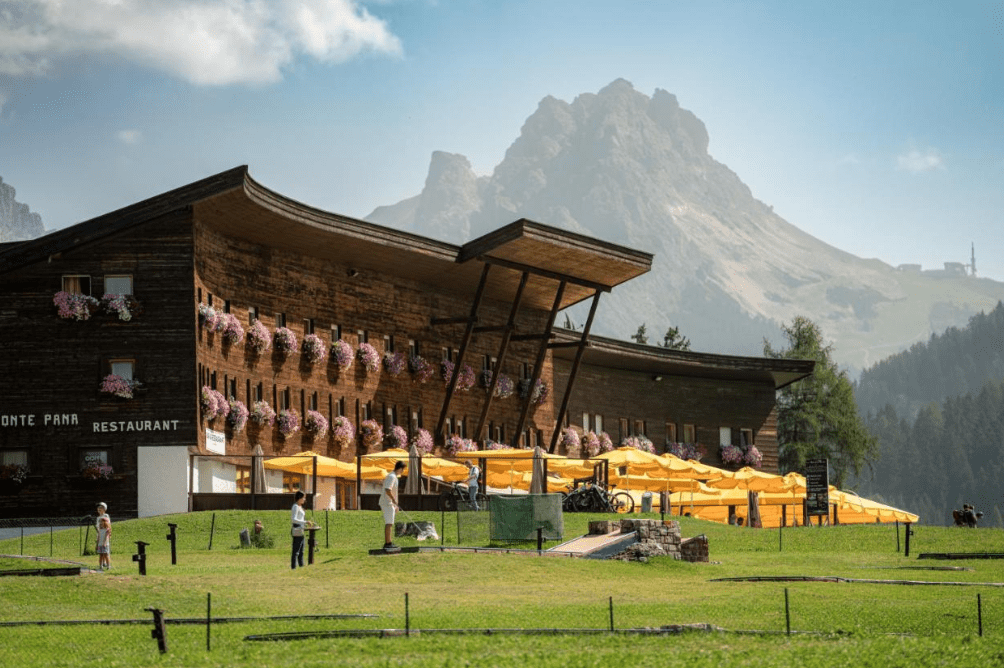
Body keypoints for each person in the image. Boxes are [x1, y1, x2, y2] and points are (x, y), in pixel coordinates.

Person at [380, 461, 405, 549]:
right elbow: (387, 490)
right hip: (387, 502)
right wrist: (393, 500)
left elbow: (392, 491)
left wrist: (396, 506)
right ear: (400, 468)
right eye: (402, 470)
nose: (402, 471)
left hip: (389, 503)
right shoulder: (392, 476)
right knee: (389, 523)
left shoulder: (393, 476)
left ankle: (389, 542)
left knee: (390, 522)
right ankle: (388, 543)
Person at [290, 490, 307, 569]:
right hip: (297, 529)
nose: (304, 499)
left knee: (301, 550)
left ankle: (301, 565)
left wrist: (304, 523)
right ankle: (293, 567)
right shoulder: (295, 506)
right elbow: (294, 519)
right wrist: (304, 522)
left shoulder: (300, 507)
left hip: (301, 529)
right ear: (299, 498)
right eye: (303, 498)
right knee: (296, 550)